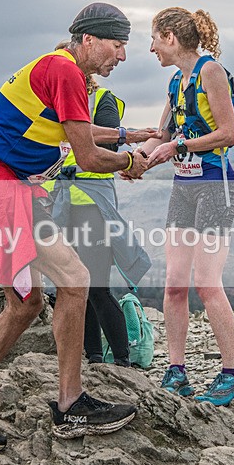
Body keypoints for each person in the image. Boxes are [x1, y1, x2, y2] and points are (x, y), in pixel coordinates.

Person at [0, 3, 150, 452]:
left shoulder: (60, 69)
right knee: (71, 281)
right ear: (89, 39)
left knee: (28, 304)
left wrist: (126, 136)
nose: (122, 55)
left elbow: (74, 132)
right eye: (117, 44)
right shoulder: (64, 71)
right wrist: (129, 162)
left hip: (6, 189)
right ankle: (66, 404)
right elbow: (87, 157)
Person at [139, 7, 234, 405]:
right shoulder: (176, 81)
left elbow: (229, 132)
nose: (151, 48)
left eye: (154, 39)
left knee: (206, 283)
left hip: (214, 186)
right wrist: (136, 160)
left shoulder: (212, 72)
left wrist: (180, 146)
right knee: (174, 285)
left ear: (170, 37)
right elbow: (162, 135)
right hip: (183, 188)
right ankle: (177, 371)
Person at [47, 40, 154, 367]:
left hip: (92, 206)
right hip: (59, 206)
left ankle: (122, 360)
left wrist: (126, 139)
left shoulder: (102, 99)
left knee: (96, 286)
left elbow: (105, 144)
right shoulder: (50, 103)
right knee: (72, 287)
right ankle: (93, 357)